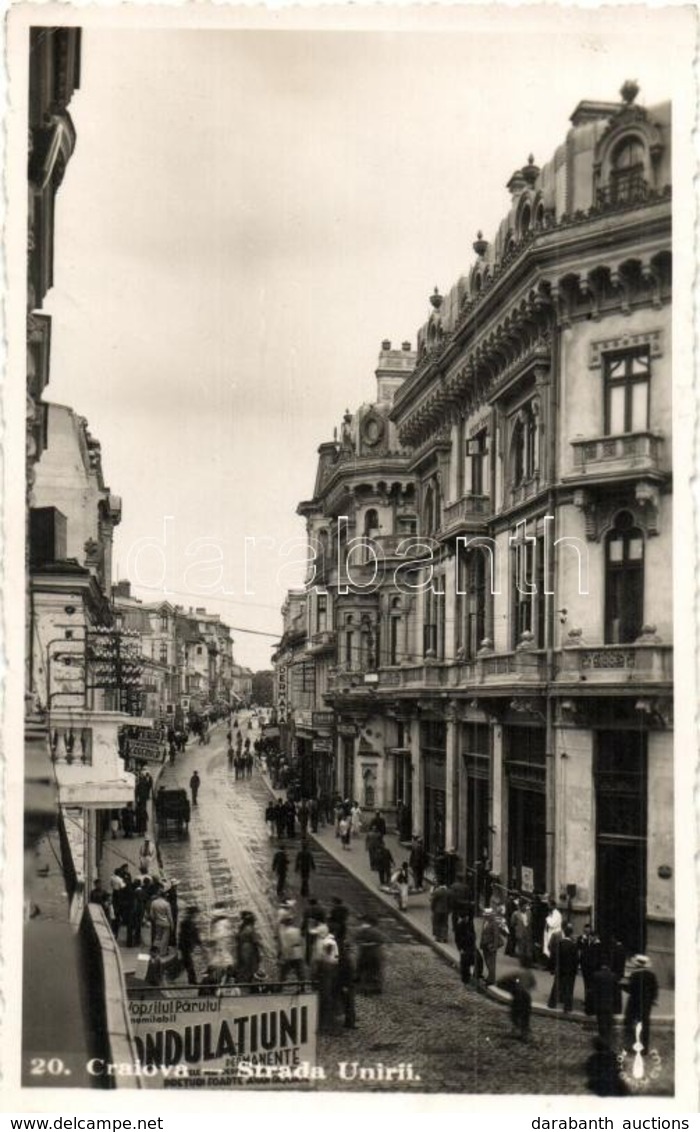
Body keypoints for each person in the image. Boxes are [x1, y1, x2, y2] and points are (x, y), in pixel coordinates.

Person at [623, 955, 659, 1054]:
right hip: (646, 1004)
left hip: (634, 1003)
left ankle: (631, 1045)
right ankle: (645, 1048)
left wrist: (622, 987)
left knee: (629, 1023)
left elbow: (630, 989)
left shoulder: (634, 975)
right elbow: (655, 989)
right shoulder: (651, 975)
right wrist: (653, 999)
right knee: (645, 1025)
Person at [547, 923, 578, 1012]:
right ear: (571, 934)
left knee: (556, 986)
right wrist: (574, 970)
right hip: (569, 970)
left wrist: (553, 967)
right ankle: (567, 1007)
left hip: (560, 968)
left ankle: (552, 1003)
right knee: (568, 988)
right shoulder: (573, 945)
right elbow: (575, 960)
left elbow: (554, 956)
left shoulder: (560, 943)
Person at [591, 958, 620, 1047]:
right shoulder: (613, 976)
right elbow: (617, 993)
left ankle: (603, 1040)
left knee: (601, 1022)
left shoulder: (596, 975)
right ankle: (608, 1039)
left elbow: (594, 992)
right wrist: (617, 1007)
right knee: (608, 1023)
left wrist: (592, 1005)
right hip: (610, 1003)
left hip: (600, 1004)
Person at [355, 914, 385, 994]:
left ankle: (363, 988)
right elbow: (381, 941)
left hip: (364, 953)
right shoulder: (377, 931)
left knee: (364, 969)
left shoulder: (361, 930)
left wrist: (364, 944)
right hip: (375, 953)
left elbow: (357, 940)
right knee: (375, 970)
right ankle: (376, 988)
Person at [578, 923, 602, 1015]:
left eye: (592, 936)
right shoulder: (586, 941)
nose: (590, 938)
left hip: (593, 970)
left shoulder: (598, 945)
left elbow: (596, 959)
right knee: (586, 985)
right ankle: (587, 1000)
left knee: (592, 987)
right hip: (586, 968)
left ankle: (591, 1003)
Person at [235, 911, 263, 984]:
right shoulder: (250, 928)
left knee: (244, 965)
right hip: (249, 949)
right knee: (250, 965)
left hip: (241, 948)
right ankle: (248, 981)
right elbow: (255, 940)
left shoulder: (241, 929)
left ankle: (243, 980)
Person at [480, 907, 504, 986]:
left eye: (487, 915)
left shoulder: (494, 923)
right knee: (487, 962)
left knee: (491, 963)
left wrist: (494, 946)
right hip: (485, 945)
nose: (485, 916)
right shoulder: (485, 922)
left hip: (490, 946)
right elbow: (483, 933)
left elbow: (496, 936)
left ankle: (491, 979)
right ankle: (490, 977)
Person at [278, 913, 305, 983]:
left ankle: (279, 987)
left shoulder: (286, 932)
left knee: (284, 971)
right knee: (299, 971)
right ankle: (302, 986)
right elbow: (301, 941)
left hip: (290, 953)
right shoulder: (297, 930)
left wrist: (283, 954)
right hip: (298, 952)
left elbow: (285, 945)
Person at [178, 905, 202, 985]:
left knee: (188, 963)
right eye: (196, 914)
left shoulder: (187, 922)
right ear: (193, 914)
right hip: (186, 946)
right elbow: (192, 935)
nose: (197, 915)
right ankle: (192, 981)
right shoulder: (188, 922)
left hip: (186, 946)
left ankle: (192, 980)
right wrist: (198, 943)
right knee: (189, 964)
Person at [454, 906, 477, 985]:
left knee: (471, 961)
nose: (467, 918)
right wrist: (460, 948)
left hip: (470, 946)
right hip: (464, 946)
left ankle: (470, 977)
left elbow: (474, 934)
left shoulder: (470, 924)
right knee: (464, 964)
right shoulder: (459, 926)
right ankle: (465, 979)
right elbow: (457, 938)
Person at [150, 884, 175, 956]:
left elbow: (151, 914)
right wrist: (172, 925)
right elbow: (170, 916)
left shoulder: (153, 902)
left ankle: (155, 951)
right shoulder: (166, 904)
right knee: (165, 938)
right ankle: (162, 952)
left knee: (157, 936)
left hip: (158, 922)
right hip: (166, 923)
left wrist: (154, 920)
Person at [511, 899, 534, 968]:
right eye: (524, 906)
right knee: (521, 949)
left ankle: (528, 964)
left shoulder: (529, 912)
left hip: (528, 933)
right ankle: (522, 963)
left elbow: (531, 921)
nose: (526, 907)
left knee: (528, 949)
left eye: (526, 906)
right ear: (520, 906)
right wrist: (517, 929)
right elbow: (512, 923)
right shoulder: (515, 914)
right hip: (520, 933)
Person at [543, 899, 563, 963]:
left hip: (554, 934)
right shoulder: (551, 913)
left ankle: (552, 965)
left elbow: (552, 924)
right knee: (547, 949)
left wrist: (548, 918)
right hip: (549, 933)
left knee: (552, 950)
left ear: (553, 906)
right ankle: (548, 963)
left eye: (549, 905)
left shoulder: (557, 914)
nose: (548, 907)